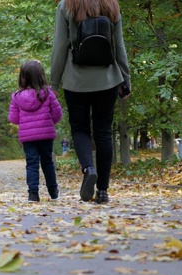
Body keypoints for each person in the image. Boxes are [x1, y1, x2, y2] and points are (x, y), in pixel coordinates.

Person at [50, 0, 131, 204]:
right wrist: (125, 79)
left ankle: (89, 168)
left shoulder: (66, 5)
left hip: (75, 80)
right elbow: (118, 44)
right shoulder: (111, 5)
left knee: (80, 130)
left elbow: (60, 45)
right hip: (108, 79)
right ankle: (102, 190)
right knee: (103, 133)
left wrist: (54, 83)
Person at [8, 60, 63, 202]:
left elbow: (13, 118)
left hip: (27, 137)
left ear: (22, 77)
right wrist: (49, 123)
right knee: (47, 162)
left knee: (31, 164)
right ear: (41, 76)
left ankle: (33, 193)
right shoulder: (48, 94)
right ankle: (53, 191)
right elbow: (58, 114)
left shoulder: (16, 97)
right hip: (46, 135)